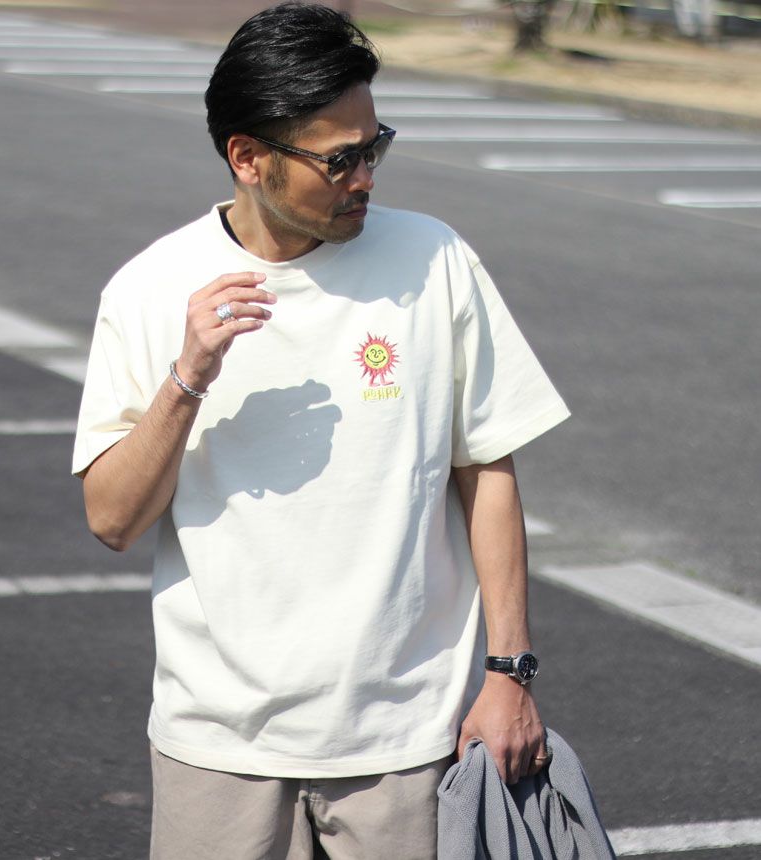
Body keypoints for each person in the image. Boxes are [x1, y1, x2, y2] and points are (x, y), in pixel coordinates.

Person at [72, 4, 570, 858]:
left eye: (375, 148)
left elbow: (487, 468)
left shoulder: (435, 261)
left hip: (407, 739)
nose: (365, 177)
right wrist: (188, 378)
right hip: (217, 744)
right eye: (340, 159)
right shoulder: (150, 289)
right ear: (248, 157)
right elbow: (112, 519)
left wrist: (509, 673)